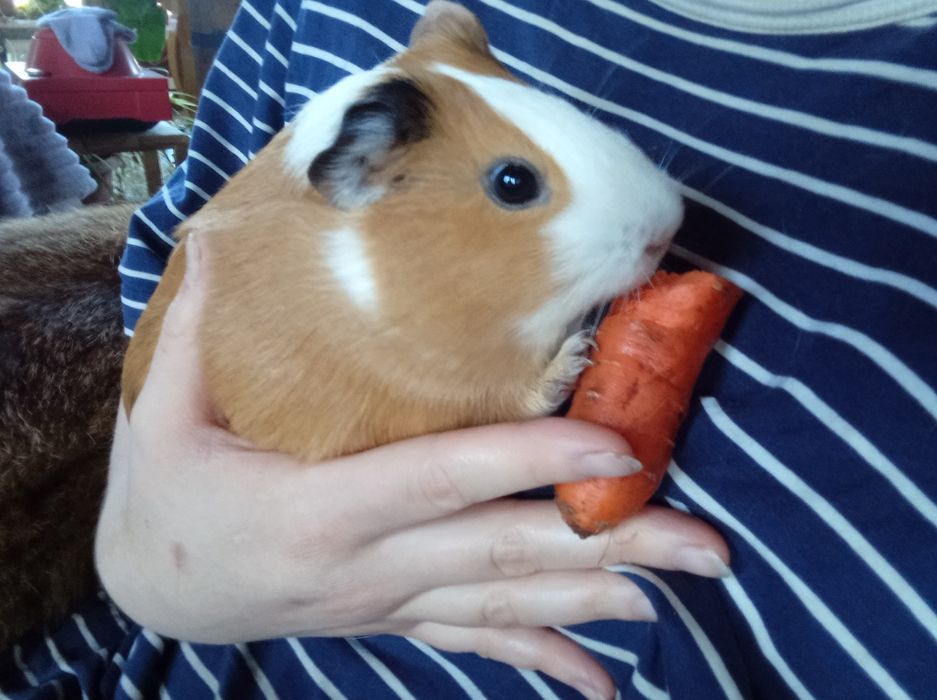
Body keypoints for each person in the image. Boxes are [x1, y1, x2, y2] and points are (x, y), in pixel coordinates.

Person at [4, 1, 935, 698]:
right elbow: (158, 396)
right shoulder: (311, 23)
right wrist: (158, 569)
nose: (668, 220)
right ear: (370, 173)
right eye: (515, 184)